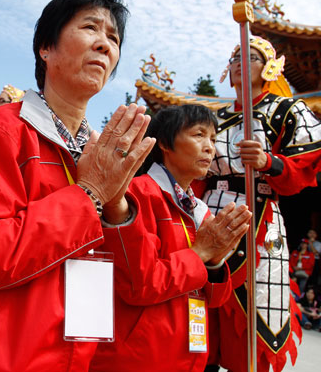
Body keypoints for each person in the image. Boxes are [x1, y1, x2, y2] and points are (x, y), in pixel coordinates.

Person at [0, 0, 155, 371]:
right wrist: (89, 193)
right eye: (91, 28)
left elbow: (136, 279)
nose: (105, 45)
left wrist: (116, 206)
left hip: (73, 347)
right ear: (46, 47)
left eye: (113, 38)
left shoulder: (102, 153)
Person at [90, 105, 250, 371]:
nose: (210, 147)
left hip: (185, 352)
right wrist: (200, 253)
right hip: (140, 356)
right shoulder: (136, 194)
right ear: (164, 142)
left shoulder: (199, 208)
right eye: (198, 134)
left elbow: (214, 300)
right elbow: (138, 285)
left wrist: (216, 260)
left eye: (213, 138)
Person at [203, 36, 321, 372]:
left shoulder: (285, 110)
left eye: (250, 56)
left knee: (258, 305)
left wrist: (271, 162)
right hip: (209, 212)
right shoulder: (212, 117)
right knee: (201, 303)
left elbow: (305, 166)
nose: (240, 62)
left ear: (269, 66)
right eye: (236, 55)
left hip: (260, 215)